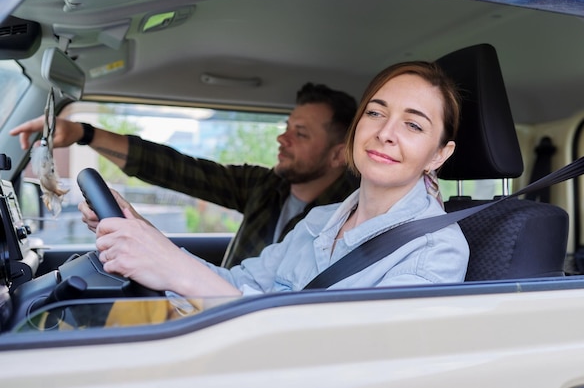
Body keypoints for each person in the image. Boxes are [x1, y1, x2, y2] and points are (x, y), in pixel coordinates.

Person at [87, 60, 470, 297]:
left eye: (413, 125)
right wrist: (147, 238)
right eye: (375, 113)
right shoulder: (321, 220)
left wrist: (178, 270)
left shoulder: (435, 250)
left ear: (439, 155)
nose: (386, 132)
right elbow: (238, 283)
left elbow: (345, 357)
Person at [10, 83, 359, 267]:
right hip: (219, 312)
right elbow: (181, 170)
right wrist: (84, 134)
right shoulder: (266, 186)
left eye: (300, 133)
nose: (282, 138)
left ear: (338, 155)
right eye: (286, 127)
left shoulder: (353, 215)